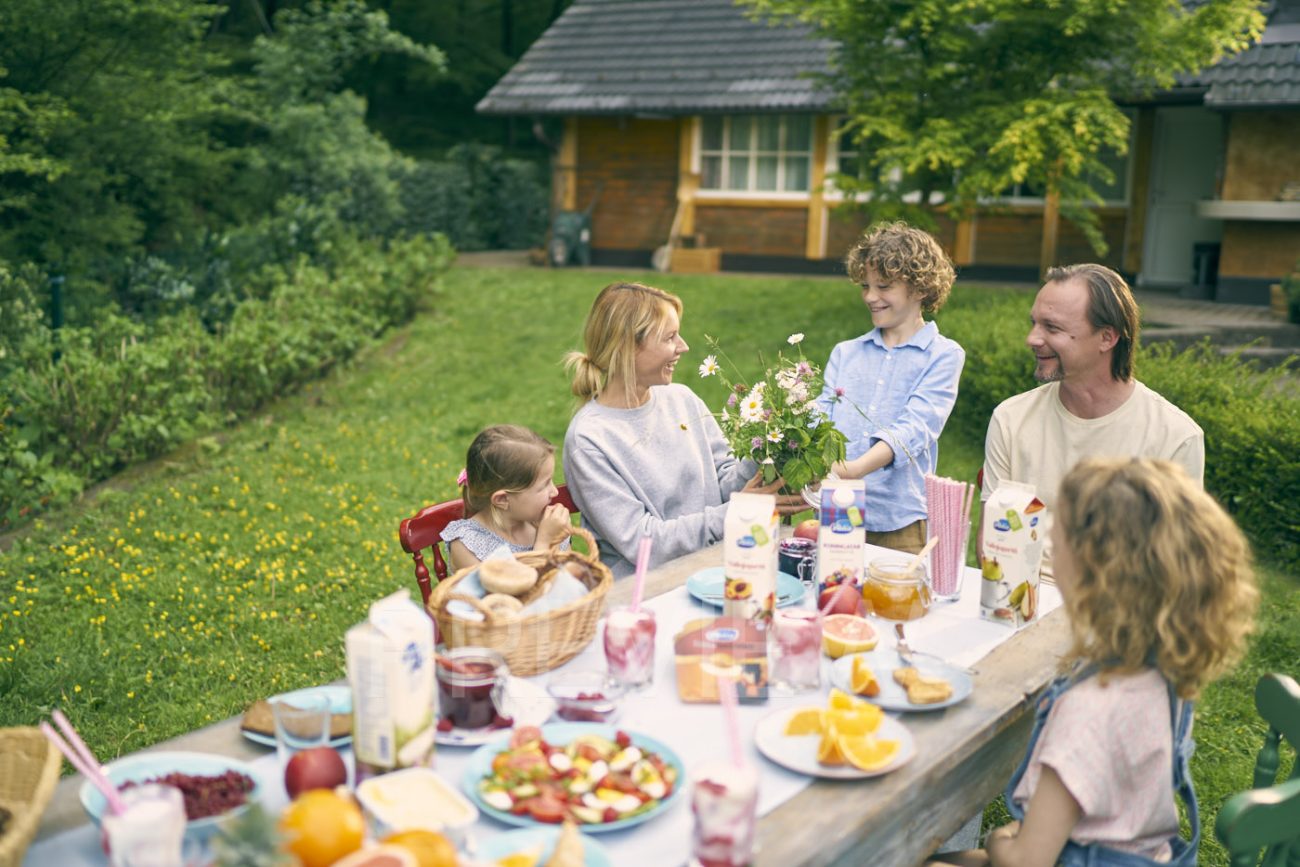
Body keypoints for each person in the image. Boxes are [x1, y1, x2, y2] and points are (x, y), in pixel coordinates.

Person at [930, 457, 1258, 867]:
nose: (1048, 539)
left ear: (1093, 569)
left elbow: (1025, 862)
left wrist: (1000, 839)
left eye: (1058, 531)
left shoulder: (1088, 711)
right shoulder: (1162, 675)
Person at [562, 281, 798, 577]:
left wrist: (766, 447)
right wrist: (739, 511)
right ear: (628, 347)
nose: (683, 347)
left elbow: (724, 481)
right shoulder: (589, 439)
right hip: (647, 593)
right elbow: (643, 542)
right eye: (670, 337)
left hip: (718, 567)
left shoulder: (682, 398)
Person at [982, 264, 1203, 545]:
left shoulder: (1175, 437)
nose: (1032, 339)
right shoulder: (1011, 418)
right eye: (1034, 323)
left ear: (1107, 337)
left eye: (1052, 327)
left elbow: (1173, 565)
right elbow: (993, 541)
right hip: (1020, 586)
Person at [817, 221, 966, 554]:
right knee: (834, 593)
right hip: (837, 508)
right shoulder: (846, 352)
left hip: (899, 521)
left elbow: (917, 427)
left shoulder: (943, 355)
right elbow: (822, 414)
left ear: (921, 288)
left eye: (883, 286)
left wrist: (855, 469)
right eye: (866, 286)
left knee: (895, 601)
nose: (871, 297)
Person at [444, 424, 572, 571]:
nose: (555, 491)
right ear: (502, 500)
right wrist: (545, 543)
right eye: (544, 486)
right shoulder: (467, 545)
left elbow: (571, 582)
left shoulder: (542, 524)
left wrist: (556, 540)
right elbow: (521, 593)